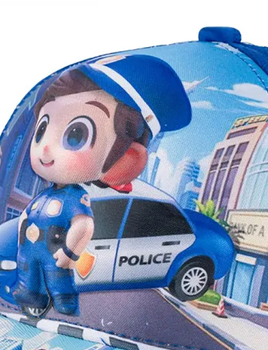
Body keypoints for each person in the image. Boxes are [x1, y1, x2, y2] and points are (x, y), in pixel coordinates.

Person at [12, 53, 192, 316]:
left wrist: (70, 253)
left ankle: (64, 303)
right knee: (33, 276)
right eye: (42, 130)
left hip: (56, 254)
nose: (46, 148)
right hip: (31, 253)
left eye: (76, 135)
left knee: (58, 280)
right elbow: (27, 216)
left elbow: (83, 225)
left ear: (126, 160)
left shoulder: (76, 198)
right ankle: (30, 292)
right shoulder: (45, 197)